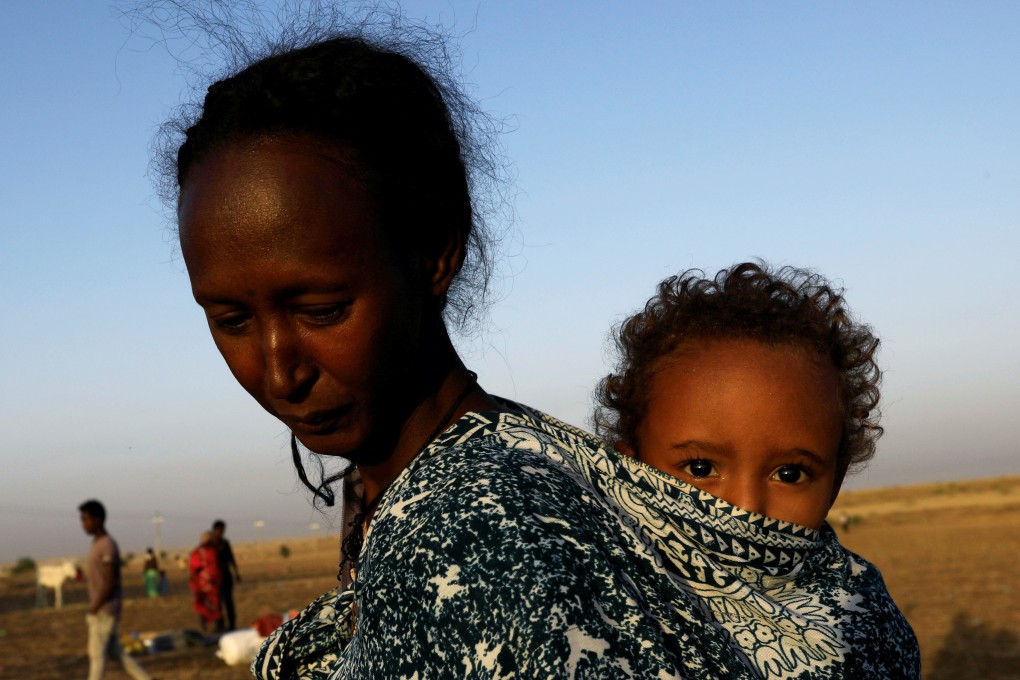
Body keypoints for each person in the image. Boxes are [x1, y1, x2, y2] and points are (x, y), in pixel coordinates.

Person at [593, 262, 921, 677]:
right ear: (629, 469)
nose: (746, 506)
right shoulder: (602, 594)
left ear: (834, 483)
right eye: (700, 467)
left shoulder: (864, 615)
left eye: (789, 474)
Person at [78, 500, 151, 680]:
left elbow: (110, 581)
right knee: (115, 653)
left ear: (98, 519)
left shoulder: (107, 545)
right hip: (104, 607)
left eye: (86, 519)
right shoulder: (97, 544)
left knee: (96, 655)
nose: (83, 524)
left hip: (104, 608)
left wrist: (95, 608)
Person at [189, 531, 223, 634]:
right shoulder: (205, 552)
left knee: (210, 606)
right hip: (205, 584)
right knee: (208, 606)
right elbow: (195, 568)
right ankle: (210, 627)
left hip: (209, 584)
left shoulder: (207, 551)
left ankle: (211, 627)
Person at [210, 519, 241, 631]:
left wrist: (236, 572)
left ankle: (232, 625)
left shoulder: (225, 543)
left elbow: (231, 558)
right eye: (221, 530)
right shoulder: (210, 544)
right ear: (215, 530)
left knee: (228, 602)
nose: (222, 532)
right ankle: (219, 625)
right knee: (217, 603)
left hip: (226, 576)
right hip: (214, 578)